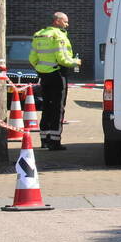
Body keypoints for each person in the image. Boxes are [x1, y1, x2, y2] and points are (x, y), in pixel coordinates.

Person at [28, 12, 80, 150]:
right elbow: (63, 59)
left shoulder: (39, 34)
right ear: (57, 21)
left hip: (44, 76)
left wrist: (41, 69)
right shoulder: (59, 36)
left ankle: (44, 139)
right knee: (58, 108)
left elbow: (32, 58)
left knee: (46, 106)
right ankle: (55, 142)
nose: (67, 24)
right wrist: (76, 62)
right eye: (65, 21)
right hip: (58, 75)